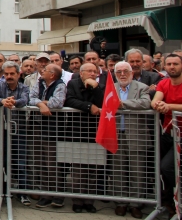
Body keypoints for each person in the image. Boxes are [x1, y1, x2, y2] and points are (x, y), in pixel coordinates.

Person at [112, 62, 151, 219]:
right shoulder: (111, 88)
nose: (122, 74)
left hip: (136, 134)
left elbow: (145, 102)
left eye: (125, 71)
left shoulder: (142, 87)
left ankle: (136, 204)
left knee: (137, 171)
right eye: (119, 72)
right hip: (116, 135)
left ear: (131, 73)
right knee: (118, 171)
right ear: (115, 74)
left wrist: (122, 104)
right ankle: (120, 202)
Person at [64, 63, 104, 213]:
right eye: (89, 71)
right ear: (81, 73)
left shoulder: (100, 85)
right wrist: (88, 106)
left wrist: (95, 87)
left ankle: (89, 201)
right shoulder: (72, 84)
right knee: (78, 168)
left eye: (95, 71)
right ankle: (77, 201)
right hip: (76, 131)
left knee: (93, 168)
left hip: (95, 131)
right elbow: (69, 100)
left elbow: (101, 102)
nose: (93, 74)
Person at [0, 61, 30, 206]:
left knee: (20, 161)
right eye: (6, 74)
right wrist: (3, 101)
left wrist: (12, 102)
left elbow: (25, 99)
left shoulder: (24, 86)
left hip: (18, 130)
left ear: (18, 74)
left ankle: (22, 193)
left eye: (12, 73)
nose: (9, 76)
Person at [30, 64, 66, 209]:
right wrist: (41, 104)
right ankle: (46, 194)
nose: (42, 71)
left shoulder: (60, 85)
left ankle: (57, 195)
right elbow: (30, 98)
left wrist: (43, 103)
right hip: (38, 128)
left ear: (52, 75)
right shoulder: (39, 83)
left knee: (52, 164)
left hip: (53, 129)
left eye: (45, 70)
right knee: (41, 162)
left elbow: (58, 102)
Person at [152, 54, 182, 216]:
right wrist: (158, 104)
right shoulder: (163, 83)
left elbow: (167, 105)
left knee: (167, 167)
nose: (172, 67)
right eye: (169, 64)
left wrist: (169, 106)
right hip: (168, 133)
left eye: (175, 64)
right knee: (163, 169)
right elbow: (155, 101)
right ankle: (170, 202)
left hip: (180, 133)